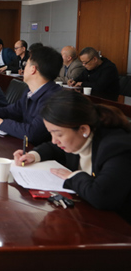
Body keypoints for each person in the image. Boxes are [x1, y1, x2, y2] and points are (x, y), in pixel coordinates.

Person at [14, 90, 131, 224]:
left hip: (119, 225)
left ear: (83, 130)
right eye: (51, 133)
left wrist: (72, 176)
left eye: (58, 134)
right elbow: (54, 148)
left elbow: (101, 196)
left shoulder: (116, 148)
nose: (54, 140)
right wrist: (33, 155)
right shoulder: (78, 138)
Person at [0, 46, 63, 144]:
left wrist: (3, 123)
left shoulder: (54, 99)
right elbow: (11, 110)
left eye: (26, 64)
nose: (23, 68)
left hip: (39, 150)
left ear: (33, 69)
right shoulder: (29, 91)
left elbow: (33, 133)